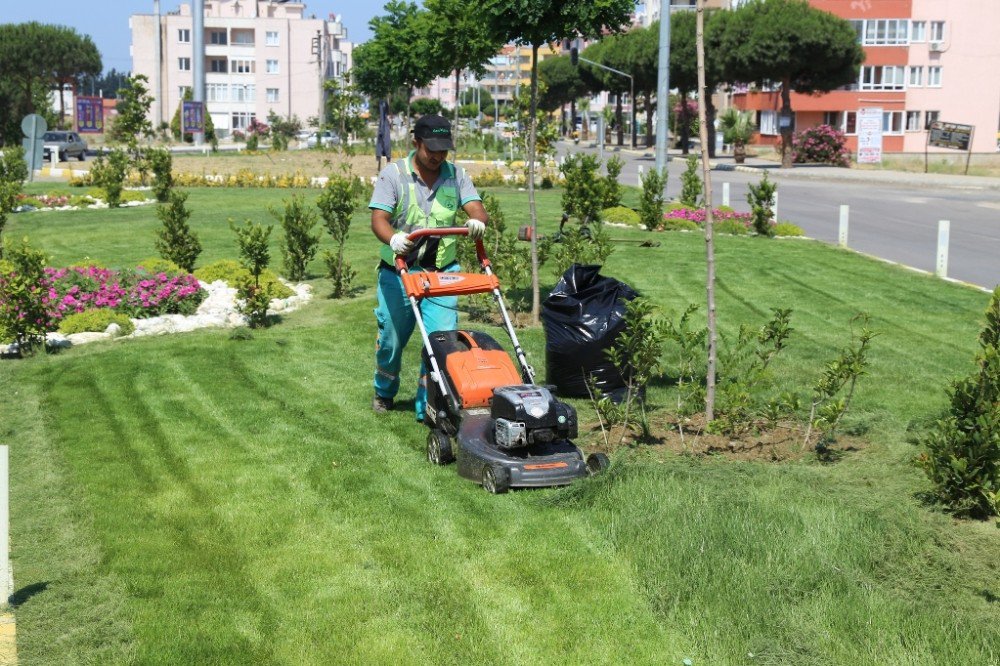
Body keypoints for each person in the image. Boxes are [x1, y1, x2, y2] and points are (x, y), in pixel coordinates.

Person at [369, 114, 489, 420]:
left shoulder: (456, 175)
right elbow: (378, 219)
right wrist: (393, 238)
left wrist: (477, 219)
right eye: (430, 149)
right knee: (392, 340)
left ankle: (430, 405)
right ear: (416, 143)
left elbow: (476, 205)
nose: (437, 156)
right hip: (399, 272)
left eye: (443, 150)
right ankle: (384, 390)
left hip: (442, 272)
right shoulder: (393, 174)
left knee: (442, 341)